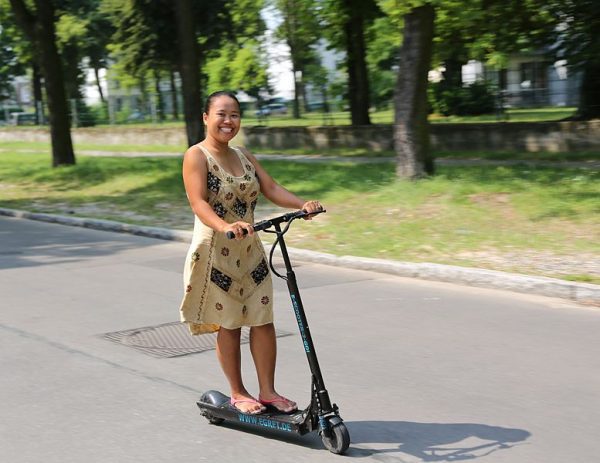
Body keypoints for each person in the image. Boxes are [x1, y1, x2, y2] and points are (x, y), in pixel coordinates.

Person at [179, 90, 323, 415]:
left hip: (251, 247)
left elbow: (270, 188)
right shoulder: (197, 155)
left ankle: (268, 391)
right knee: (229, 323)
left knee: (262, 319)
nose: (228, 121)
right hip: (216, 248)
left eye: (234, 114)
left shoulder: (243, 154)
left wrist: (302, 205)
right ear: (206, 117)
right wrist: (223, 225)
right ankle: (238, 392)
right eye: (221, 114)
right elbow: (198, 202)